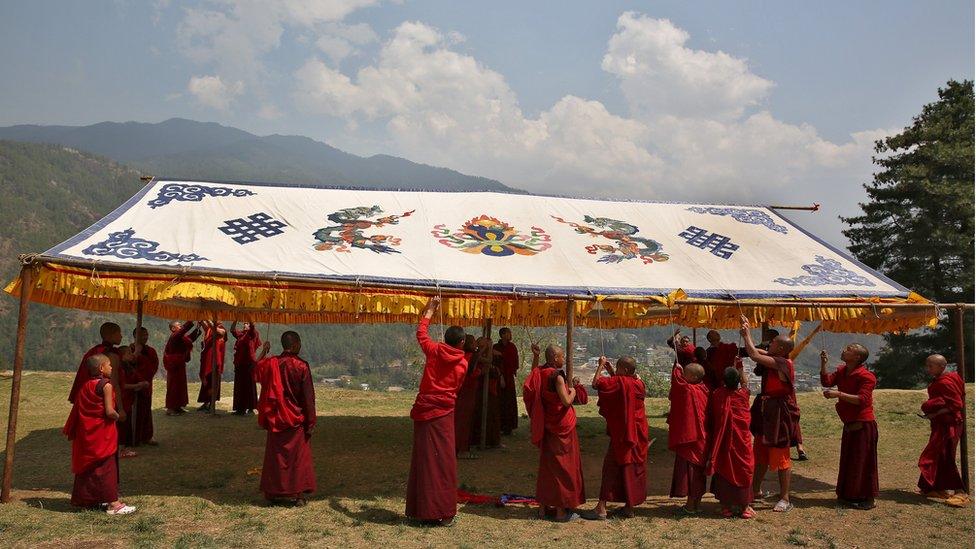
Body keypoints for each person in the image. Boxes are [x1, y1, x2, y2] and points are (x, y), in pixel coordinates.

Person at [405, 297, 469, 526]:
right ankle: (442, 511)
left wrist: (431, 309)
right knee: (442, 461)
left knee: (424, 459)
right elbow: (458, 387)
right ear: (461, 343)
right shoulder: (463, 364)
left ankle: (421, 510)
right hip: (444, 411)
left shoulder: (433, 350)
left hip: (425, 408)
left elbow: (421, 333)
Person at [62, 354, 135, 515]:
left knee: (90, 467)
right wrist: (120, 416)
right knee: (106, 467)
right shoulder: (107, 386)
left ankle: (88, 500)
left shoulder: (86, 385)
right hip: (103, 433)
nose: (111, 367)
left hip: (88, 433)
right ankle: (114, 504)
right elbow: (109, 412)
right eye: (109, 365)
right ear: (101, 368)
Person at [523, 343, 586, 522]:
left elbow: (532, 382)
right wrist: (573, 390)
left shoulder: (541, 372)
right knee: (563, 467)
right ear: (555, 358)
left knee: (548, 467)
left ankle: (543, 509)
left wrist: (535, 357)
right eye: (561, 357)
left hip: (548, 424)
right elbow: (566, 401)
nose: (563, 359)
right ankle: (560, 511)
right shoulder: (557, 376)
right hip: (561, 426)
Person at [254, 331, 317, 506]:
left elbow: (255, 370)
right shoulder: (301, 366)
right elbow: (308, 397)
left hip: (276, 419)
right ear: (295, 344)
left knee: (276, 458)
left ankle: (273, 493)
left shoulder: (272, 363)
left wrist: (264, 352)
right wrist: (311, 422)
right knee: (297, 459)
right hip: (295, 418)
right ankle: (297, 495)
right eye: (299, 343)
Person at [741, 316, 796, 512]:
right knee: (761, 453)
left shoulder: (783, 363)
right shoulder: (776, 358)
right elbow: (756, 352)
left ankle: (785, 497)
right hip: (766, 410)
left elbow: (755, 355)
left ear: (781, 349)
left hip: (778, 412)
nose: (769, 344)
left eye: (773, 343)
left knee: (781, 455)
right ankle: (755, 491)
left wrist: (747, 333)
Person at [583, 356, 648, 520]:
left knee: (611, 467)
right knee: (632, 468)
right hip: (638, 433)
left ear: (624, 370)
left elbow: (596, 383)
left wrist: (600, 366)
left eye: (618, 368)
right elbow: (623, 386)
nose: (616, 372)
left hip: (623, 434)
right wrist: (612, 371)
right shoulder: (639, 384)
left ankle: (601, 508)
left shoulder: (620, 382)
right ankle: (629, 507)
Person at [820, 344, 878, 509]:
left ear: (857, 357)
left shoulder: (867, 376)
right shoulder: (841, 370)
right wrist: (824, 363)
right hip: (849, 422)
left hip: (864, 424)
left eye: (849, 349)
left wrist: (838, 394)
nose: (844, 350)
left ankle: (868, 498)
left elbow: (862, 400)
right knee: (849, 460)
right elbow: (827, 381)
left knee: (864, 462)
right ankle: (848, 494)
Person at [706, 367, 755, 519]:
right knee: (743, 470)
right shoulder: (743, 395)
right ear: (738, 381)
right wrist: (741, 369)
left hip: (724, 441)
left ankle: (726, 507)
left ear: (724, 381)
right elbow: (746, 384)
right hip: (742, 442)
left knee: (725, 469)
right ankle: (745, 507)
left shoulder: (717, 394)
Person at [917, 354, 966, 498]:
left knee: (944, 455)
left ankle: (959, 490)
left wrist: (935, 413)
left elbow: (957, 404)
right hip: (941, 423)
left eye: (930, 366)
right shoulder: (949, 377)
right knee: (937, 454)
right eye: (927, 365)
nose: (928, 369)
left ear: (942, 367)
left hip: (949, 424)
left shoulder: (945, 382)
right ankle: (931, 487)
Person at [667, 361, 709, 514]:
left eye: (685, 373)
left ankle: (690, 507)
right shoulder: (703, 388)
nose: (683, 375)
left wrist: (675, 370)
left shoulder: (688, 389)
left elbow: (678, 384)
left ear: (692, 376)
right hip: (703, 437)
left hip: (692, 438)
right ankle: (696, 503)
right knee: (698, 472)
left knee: (691, 473)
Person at [69, 322, 123, 403]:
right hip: (103, 395)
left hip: (88, 393)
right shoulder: (111, 354)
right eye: (118, 333)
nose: (121, 336)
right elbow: (114, 382)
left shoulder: (94, 351)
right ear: (109, 335)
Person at [455, 335, 488, 459]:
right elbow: (472, 372)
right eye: (474, 342)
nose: (475, 344)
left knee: (460, 419)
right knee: (464, 420)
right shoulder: (469, 357)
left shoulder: (463, 355)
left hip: (463, 391)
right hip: (467, 391)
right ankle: (462, 449)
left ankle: (457, 447)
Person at [126, 327, 158, 447]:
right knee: (133, 412)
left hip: (146, 384)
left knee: (145, 411)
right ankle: (133, 437)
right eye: (142, 335)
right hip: (132, 386)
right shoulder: (129, 350)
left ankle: (147, 436)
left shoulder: (151, 351)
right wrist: (136, 354)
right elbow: (127, 366)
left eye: (146, 334)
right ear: (135, 336)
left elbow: (153, 367)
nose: (145, 337)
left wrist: (144, 379)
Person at [163, 321, 201, 415]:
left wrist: (198, 327)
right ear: (173, 328)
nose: (181, 327)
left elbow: (191, 338)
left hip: (180, 363)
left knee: (180, 386)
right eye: (179, 325)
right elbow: (183, 330)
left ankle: (178, 406)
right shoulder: (174, 336)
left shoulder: (181, 338)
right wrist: (191, 320)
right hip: (174, 364)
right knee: (173, 386)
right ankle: (171, 408)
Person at [471, 339, 502, 449]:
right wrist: (487, 348)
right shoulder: (476, 354)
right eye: (482, 342)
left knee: (492, 413)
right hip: (479, 387)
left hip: (491, 386)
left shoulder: (491, 352)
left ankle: (492, 440)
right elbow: (488, 361)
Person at [231, 321, 261, 415]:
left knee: (249, 385)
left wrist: (249, 318)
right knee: (239, 386)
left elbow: (252, 327)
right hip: (240, 363)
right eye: (244, 323)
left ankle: (251, 407)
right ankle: (240, 408)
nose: (245, 324)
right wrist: (235, 320)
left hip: (249, 363)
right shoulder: (241, 335)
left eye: (246, 323)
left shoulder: (252, 333)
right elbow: (232, 330)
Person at [494, 328, 520, 435]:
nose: (510, 335)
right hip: (498, 377)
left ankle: (509, 427)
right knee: (500, 402)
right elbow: (495, 363)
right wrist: (500, 376)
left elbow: (515, 361)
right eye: (509, 333)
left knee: (509, 402)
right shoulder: (496, 347)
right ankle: (499, 426)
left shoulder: (512, 347)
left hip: (509, 378)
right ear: (503, 335)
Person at [197, 320, 227, 412]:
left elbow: (216, 330)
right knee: (206, 381)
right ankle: (206, 402)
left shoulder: (222, 330)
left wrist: (208, 319)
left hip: (215, 361)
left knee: (213, 382)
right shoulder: (209, 329)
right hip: (207, 360)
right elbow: (206, 327)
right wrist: (201, 319)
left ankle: (212, 404)